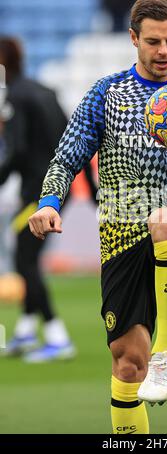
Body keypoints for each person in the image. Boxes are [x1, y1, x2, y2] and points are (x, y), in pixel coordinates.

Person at [28, 0, 167, 434]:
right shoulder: (106, 94)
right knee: (128, 366)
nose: (163, 51)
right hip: (120, 239)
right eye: (153, 42)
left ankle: (165, 357)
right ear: (133, 39)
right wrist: (49, 201)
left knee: (166, 218)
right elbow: (67, 156)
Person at [0, 37, 97, 362]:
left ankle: (57, 337)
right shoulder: (45, 90)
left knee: (24, 257)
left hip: (41, 192)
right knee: (23, 251)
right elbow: (73, 141)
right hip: (61, 187)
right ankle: (26, 331)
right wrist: (92, 189)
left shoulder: (13, 96)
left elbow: (17, 151)